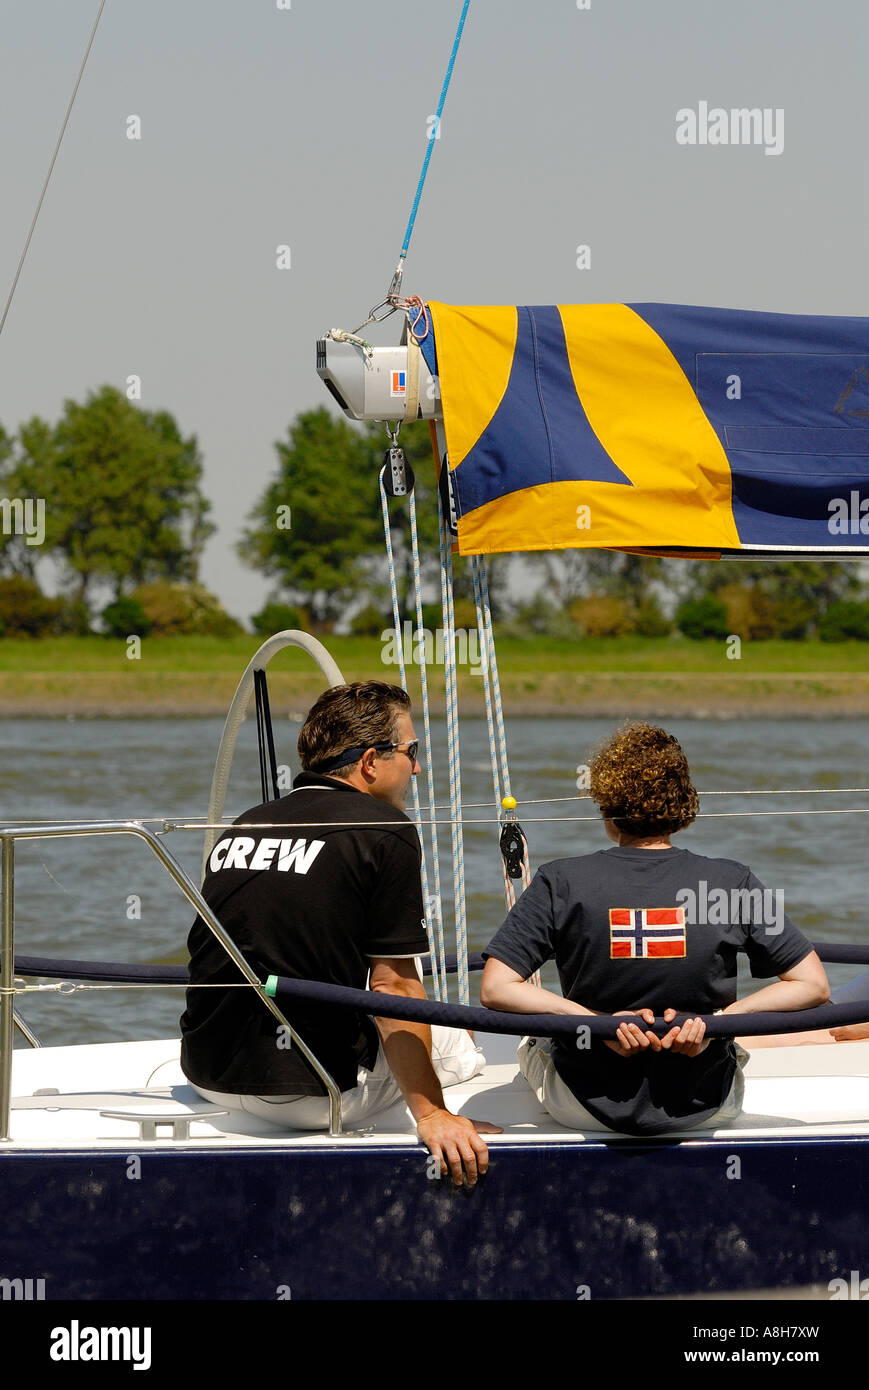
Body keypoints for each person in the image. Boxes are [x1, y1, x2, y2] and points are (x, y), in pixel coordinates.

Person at [181, 680, 499, 1185]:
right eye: (411, 751)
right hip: (312, 1094)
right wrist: (432, 1113)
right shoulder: (384, 829)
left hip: (206, 1074)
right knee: (457, 1043)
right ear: (371, 762)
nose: (417, 768)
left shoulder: (247, 823)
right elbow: (394, 987)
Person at [480, 722, 830, 1136]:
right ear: (683, 803)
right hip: (707, 1103)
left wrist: (595, 1024)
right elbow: (813, 984)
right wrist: (716, 1024)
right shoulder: (733, 881)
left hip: (582, 1106)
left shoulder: (560, 880)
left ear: (606, 804)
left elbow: (496, 988)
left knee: (531, 1038)